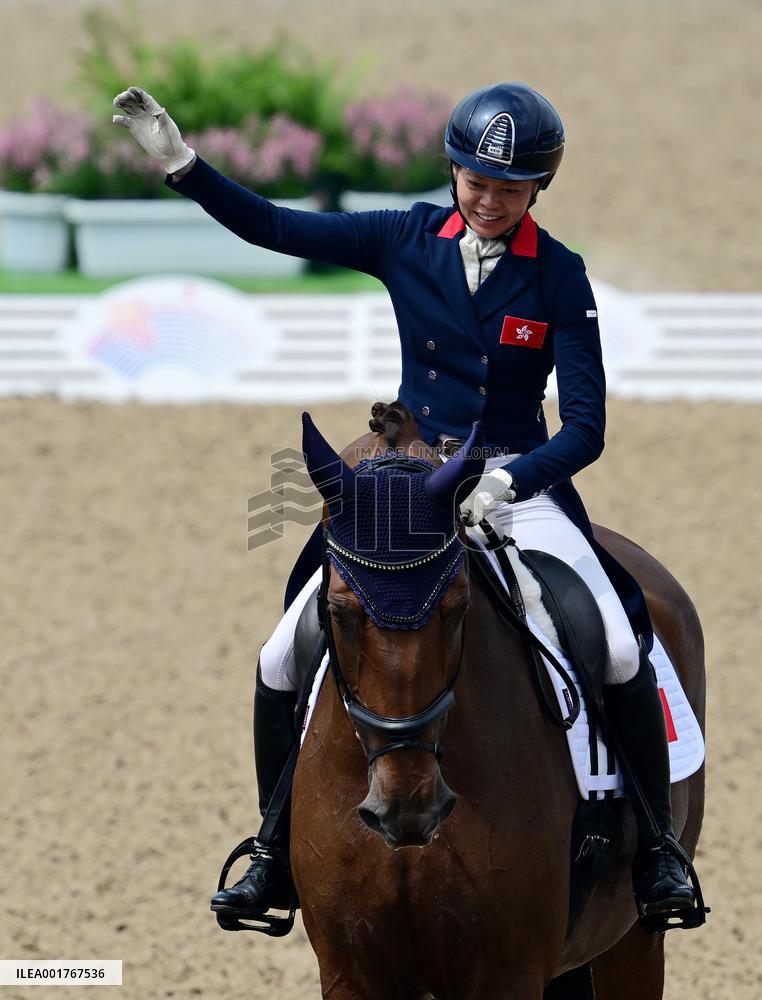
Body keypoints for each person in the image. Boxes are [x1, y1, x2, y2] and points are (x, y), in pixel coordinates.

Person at [114, 81, 699, 927]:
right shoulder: (406, 237)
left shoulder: (559, 277)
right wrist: (185, 167)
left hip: (513, 482)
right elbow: (278, 228)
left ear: (538, 187)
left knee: (612, 642)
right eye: (475, 181)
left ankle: (656, 855)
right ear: (453, 172)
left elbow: (588, 428)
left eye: (509, 187)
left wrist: (510, 479)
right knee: (283, 653)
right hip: (412, 479)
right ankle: (274, 852)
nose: (490, 200)